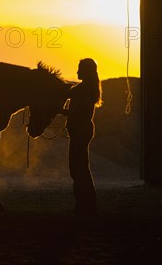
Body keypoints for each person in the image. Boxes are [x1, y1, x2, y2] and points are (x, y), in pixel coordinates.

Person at [63, 58, 102, 213]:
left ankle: (84, 205)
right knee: (80, 167)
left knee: (78, 168)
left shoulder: (83, 89)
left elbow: (76, 111)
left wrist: (60, 111)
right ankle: (86, 204)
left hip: (80, 130)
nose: (77, 71)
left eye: (80, 69)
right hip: (82, 130)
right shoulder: (86, 87)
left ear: (85, 70)